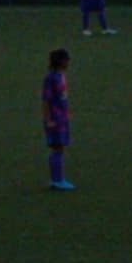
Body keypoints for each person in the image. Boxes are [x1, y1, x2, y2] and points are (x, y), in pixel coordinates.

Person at [43, 47, 74, 191]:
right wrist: (48, 119)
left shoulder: (60, 75)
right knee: (57, 147)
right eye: (67, 60)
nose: (68, 62)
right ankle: (57, 180)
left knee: (60, 147)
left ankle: (57, 179)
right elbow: (46, 100)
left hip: (62, 116)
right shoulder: (51, 78)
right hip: (55, 118)